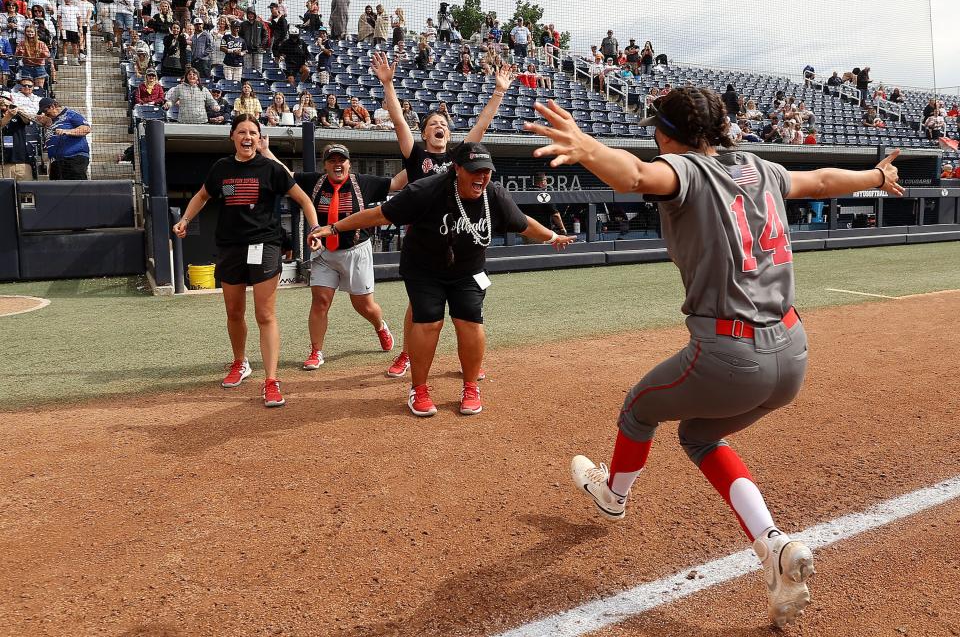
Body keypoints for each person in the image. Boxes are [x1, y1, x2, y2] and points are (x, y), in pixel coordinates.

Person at [524, 88, 904, 629]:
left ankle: (613, 497)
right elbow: (820, 181)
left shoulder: (683, 168)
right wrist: (876, 178)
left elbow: (634, 176)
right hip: (793, 353)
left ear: (666, 133)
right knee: (699, 435)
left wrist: (587, 147)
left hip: (731, 354)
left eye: (658, 130)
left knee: (639, 408)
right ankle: (773, 546)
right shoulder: (759, 166)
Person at [314, 141, 574, 415]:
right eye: (475, 170)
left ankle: (471, 386)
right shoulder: (427, 190)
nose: (482, 177)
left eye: (486, 171)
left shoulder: (494, 194)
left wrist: (553, 236)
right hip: (424, 269)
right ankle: (419, 389)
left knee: (470, 322)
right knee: (429, 323)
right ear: (457, 168)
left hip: (469, 271)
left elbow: (522, 222)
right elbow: (379, 215)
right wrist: (332, 228)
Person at [371, 49, 513, 379]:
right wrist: (388, 86)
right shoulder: (416, 154)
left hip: (460, 246)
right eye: (433, 124)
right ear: (424, 133)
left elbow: (481, 125)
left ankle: (470, 364)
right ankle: (407, 354)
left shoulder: (460, 158)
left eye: (444, 125)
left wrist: (499, 92)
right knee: (418, 307)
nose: (439, 127)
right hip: (423, 245)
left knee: (468, 309)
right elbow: (398, 121)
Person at [172, 114, 323, 408]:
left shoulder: (271, 169)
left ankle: (271, 380)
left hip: (265, 246)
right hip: (230, 248)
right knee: (233, 312)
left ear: (259, 138)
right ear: (232, 137)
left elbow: (304, 200)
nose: (247, 136)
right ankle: (240, 363)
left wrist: (315, 228)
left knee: (265, 315)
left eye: (253, 132)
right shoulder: (221, 169)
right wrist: (186, 220)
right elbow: (203, 196)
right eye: (242, 131)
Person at [263, 142, 406, 369]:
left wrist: (423, 157)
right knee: (320, 302)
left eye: (342, 160)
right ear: (325, 165)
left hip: (356, 251)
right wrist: (265, 150)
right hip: (325, 252)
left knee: (363, 305)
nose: (338, 164)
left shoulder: (363, 182)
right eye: (332, 161)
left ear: (349, 163)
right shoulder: (313, 181)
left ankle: (380, 326)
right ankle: (316, 351)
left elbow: (397, 183)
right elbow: (285, 173)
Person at [37, 96, 89, 179]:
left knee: (75, 189)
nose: (45, 114)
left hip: (73, 159)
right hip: (56, 162)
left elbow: (86, 129)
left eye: (45, 111)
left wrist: (67, 131)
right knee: (57, 190)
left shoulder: (70, 114)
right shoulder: (50, 121)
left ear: (53, 106)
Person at [0, 89, 32, 179]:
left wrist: (15, 107)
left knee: (26, 191)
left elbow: (28, 119)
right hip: (1, 164)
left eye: (5, 100)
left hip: (21, 162)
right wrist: (8, 116)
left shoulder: (18, 114)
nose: (3, 103)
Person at [239, 7, 267, 72]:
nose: (250, 15)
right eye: (249, 14)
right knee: (247, 69)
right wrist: (243, 45)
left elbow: (265, 35)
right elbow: (240, 36)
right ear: (247, 15)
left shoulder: (260, 24)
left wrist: (261, 45)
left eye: (252, 14)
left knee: (258, 69)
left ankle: (258, 81)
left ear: (254, 14)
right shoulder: (243, 24)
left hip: (258, 50)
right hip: (247, 50)